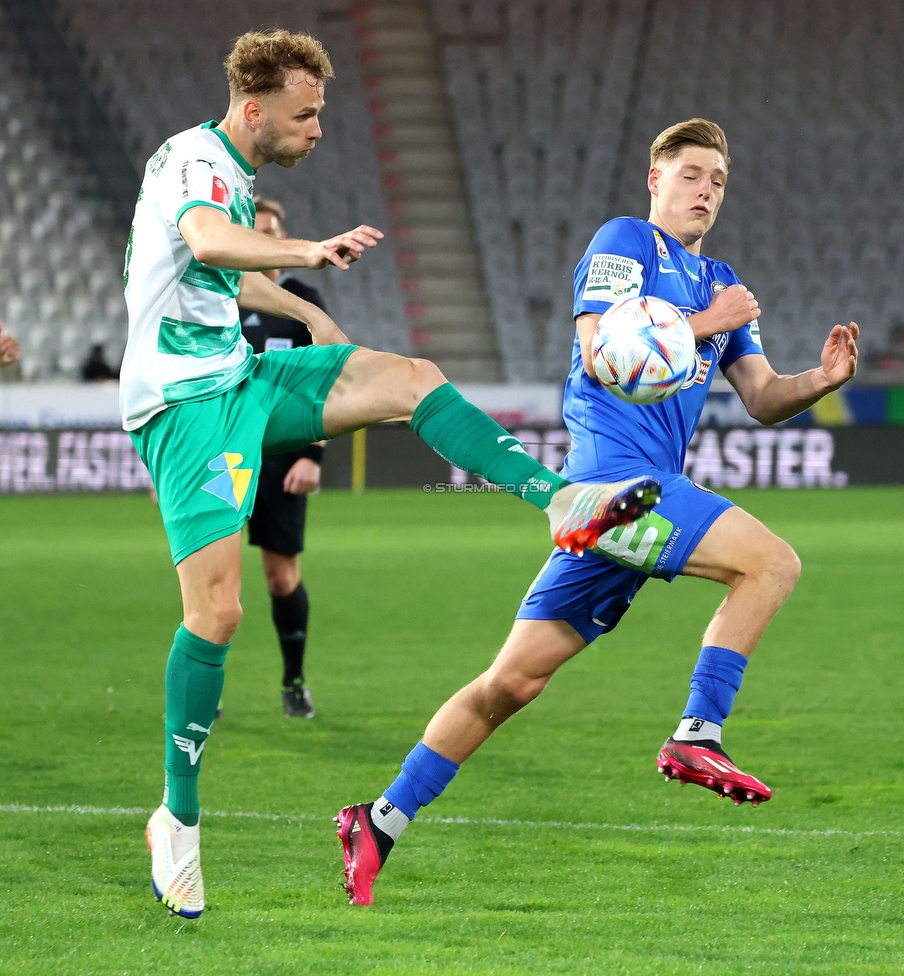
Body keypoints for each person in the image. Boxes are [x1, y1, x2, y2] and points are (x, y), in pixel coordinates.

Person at [127, 28, 658, 920]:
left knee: (413, 379)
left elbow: (212, 276)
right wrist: (304, 252)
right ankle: (175, 820)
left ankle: (563, 499)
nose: (319, 129)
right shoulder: (194, 162)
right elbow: (210, 244)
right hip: (182, 405)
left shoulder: (228, 163)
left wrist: (303, 305)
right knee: (217, 612)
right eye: (306, 114)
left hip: (238, 377)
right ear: (254, 110)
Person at [335, 118, 860, 906]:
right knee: (771, 562)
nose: (705, 190)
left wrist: (817, 381)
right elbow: (598, 351)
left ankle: (377, 821)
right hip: (613, 481)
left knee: (510, 685)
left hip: (629, 506)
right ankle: (697, 734)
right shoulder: (626, 245)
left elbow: (760, 398)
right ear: (655, 181)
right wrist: (709, 320)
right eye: (690, 174)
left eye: (717, 179)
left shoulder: (722, 277)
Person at [238, 195, 326, 718]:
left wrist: (314, 455)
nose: (267, 243)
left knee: (280, 577)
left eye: (273, 232)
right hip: (223, 454)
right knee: (213, 579)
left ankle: (294, 682)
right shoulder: (216, 300)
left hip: (282, 455)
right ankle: (206, 691)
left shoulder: (303, 300)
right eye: (256, 232)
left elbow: (324, 379)